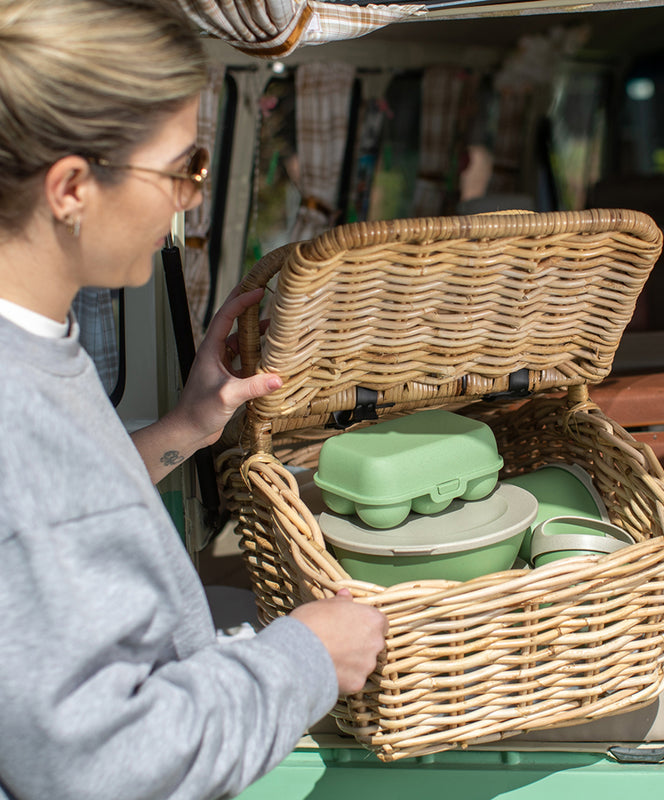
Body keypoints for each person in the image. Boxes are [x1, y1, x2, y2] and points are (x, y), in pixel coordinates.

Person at [0, 2, 388, 799]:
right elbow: (106, 767)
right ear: (72, 187)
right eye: (184, 169)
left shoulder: (36, 350)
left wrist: (185, 427)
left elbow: (52, 509)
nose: (188, 199)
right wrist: (306, 657)